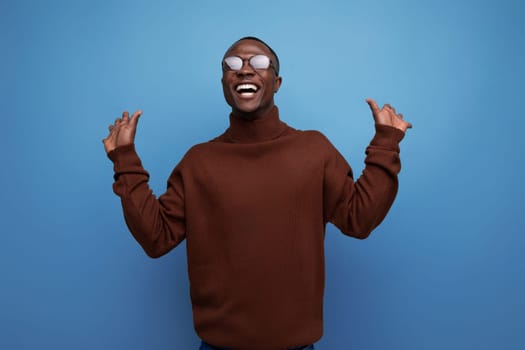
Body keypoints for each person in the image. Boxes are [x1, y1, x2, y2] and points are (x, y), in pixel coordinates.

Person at [102, 36, 412, 350]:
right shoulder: (199, 161)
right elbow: (156, 237)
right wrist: (124, 158)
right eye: (233, 64)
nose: (245, 70)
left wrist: (386, 142)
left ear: (276, 82)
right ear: (223, 82)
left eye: (259, 63)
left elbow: (359, 219)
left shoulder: (314, 150)